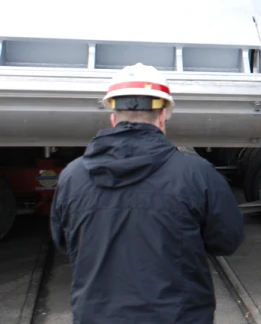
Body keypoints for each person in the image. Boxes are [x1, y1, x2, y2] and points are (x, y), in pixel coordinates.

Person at [50, 63, 245, 324]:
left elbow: (65, 241)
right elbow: (227, 240)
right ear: (163, 116)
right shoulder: (198, 175)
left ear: (113, 117)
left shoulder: (72, 177)